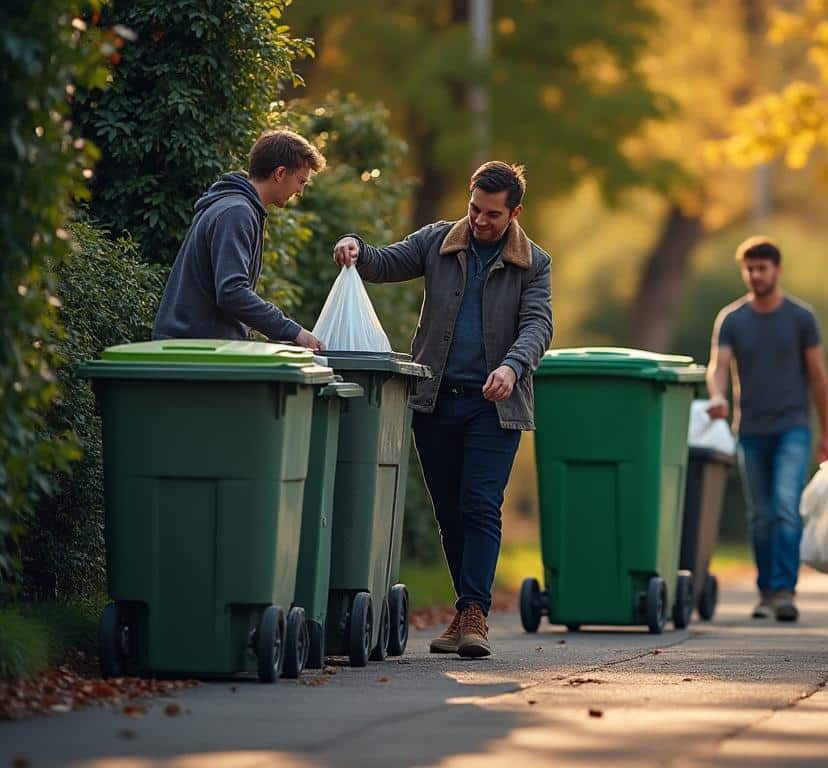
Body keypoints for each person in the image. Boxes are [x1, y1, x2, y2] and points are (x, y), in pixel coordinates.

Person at [332, 161, 552, 659]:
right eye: (475, 208)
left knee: (479, 504)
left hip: (495, 407)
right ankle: (464, 610)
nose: (479, 220)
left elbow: (538, 326)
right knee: (450, 512)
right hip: (434, 401)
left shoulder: (533, 263)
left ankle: (474, 612)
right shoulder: (439, 240)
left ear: (514, 213)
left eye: (492, 214)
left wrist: (513, 367)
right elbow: (386, 262)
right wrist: (355, 249)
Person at [707, 236, 828, 622]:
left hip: (793, 426)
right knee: (761, 515)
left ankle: (785, 591)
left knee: (784, 507)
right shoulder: (732, 319)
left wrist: (826, 432)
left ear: (777, 270)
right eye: (749, 268)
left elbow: (818, 376)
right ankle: (766, 592)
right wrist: (717, 395)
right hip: (751, 429)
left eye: (762, 268)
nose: (755, 275)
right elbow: (719, 366)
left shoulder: (801, 317)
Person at [153, 130, 325, 350]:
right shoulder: (237, 212)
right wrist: (294, 332)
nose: (300, 190)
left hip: (195, 347)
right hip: (194, 353)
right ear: (280, 173)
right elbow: (231, 292)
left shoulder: (234, 206)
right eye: (301, 181)